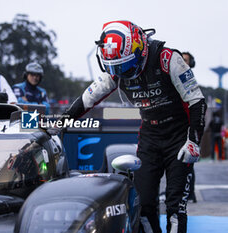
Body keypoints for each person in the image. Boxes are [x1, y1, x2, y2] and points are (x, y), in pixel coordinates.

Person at [62, 21, 207, 233]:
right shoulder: (115, 69)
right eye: (115, 67)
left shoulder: (167, 59)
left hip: (179, 135)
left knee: (176, 208)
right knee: (144, 205)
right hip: (149, 135)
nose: (121, 71)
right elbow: (87, 99)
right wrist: (61, 122)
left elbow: (196, 100)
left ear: (140, 50)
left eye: (124, 65)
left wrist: (193, 140)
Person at [182, 51, 197, 203]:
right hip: (176, 125)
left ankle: (190, 193)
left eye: (185, 60)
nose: (182, 62)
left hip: (188, 126)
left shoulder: (190, 80)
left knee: (188, 161)